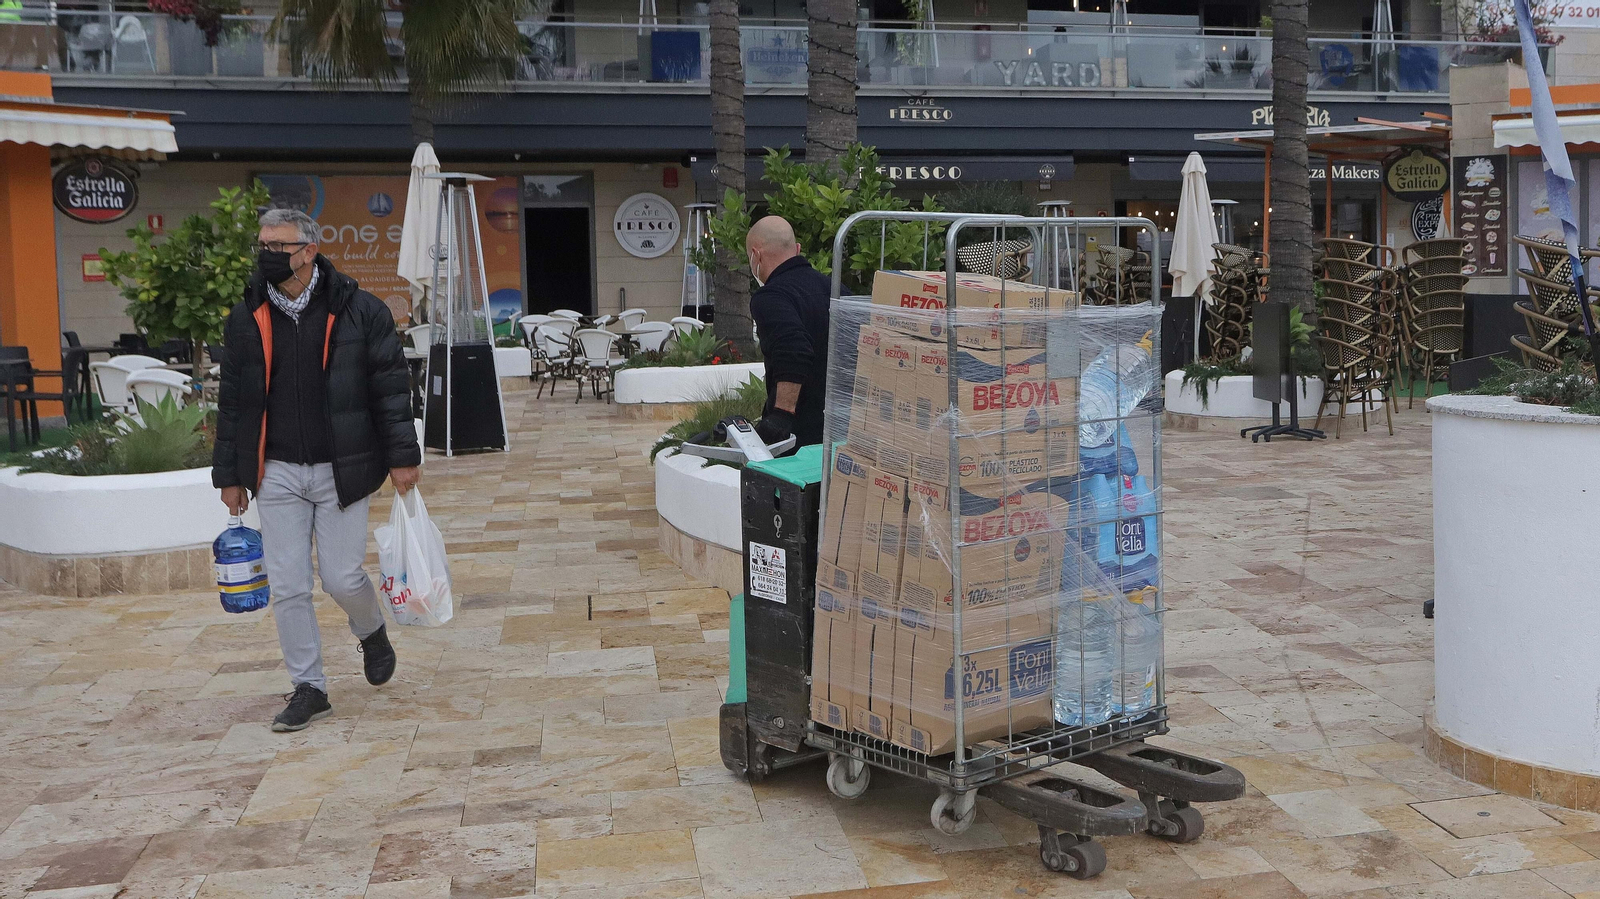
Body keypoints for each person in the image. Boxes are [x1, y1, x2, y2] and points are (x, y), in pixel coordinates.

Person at [213, 208, 421, 732]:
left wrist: (402, 458)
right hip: (277, 471)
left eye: (277, 246)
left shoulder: (361, 311)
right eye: (261, 244)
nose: (267, 255)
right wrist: (230, 476)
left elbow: (391, 390)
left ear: (309, 250)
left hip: (342, 468)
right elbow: (233, 402)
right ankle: (310, 687)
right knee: (288, 585)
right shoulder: (247, 315)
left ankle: (371, 629)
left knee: (341, 575)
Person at [746, 215, 831, 448]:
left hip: (797, 437)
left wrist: (781, 415)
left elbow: (794, 349)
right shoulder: (835, 287)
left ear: (756, 255)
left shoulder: (770, 297)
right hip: (842, 429)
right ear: (797, 249)